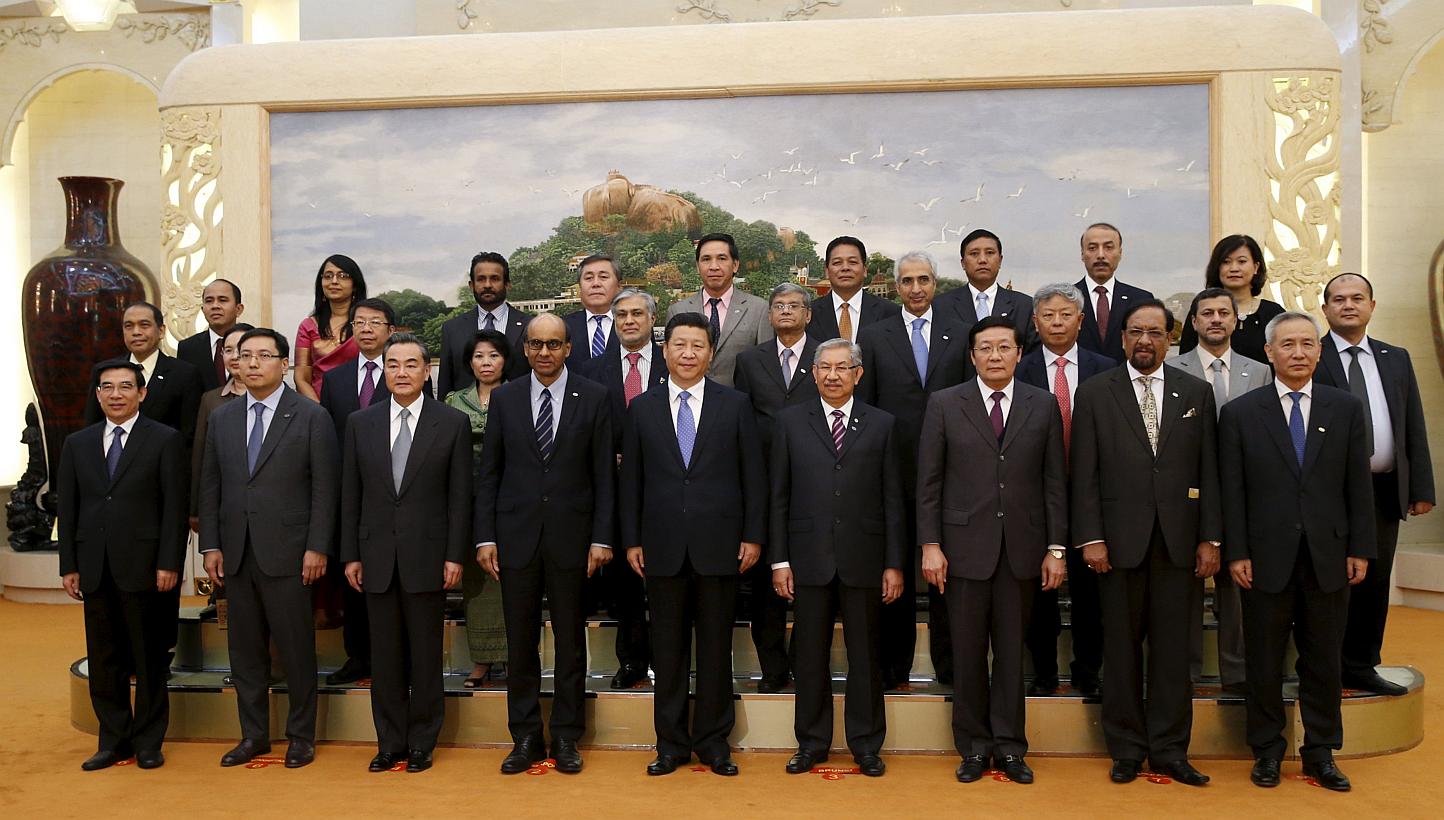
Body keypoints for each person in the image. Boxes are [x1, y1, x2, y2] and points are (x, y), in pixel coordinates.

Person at [1220, 310, 1375, 792]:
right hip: (1263, 557)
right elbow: (1233, 491)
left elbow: (1358, 487)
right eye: (1287, 345)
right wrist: (1237, 551)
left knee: (1323, 658)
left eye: (1308, 344)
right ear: (1269, 353)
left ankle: (1321, 752)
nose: (1299, 353)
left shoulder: (1345, 408)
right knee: (1264, 660)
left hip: (1329, 555)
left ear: (1319, 350)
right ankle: (1267, 751)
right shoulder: (1242, 414)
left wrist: (1360, 548)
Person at [1071, 299, 1221, 787]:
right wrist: (1090, 537)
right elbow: (1084, 474)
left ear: (1170, 338)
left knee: (1175, 654)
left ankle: (1171, 750)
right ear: (1122, 339)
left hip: (1179, 545)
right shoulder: (1095, 393)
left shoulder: (1196, 392)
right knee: (1120, 651)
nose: (1145, 341)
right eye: (1136, 332)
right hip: (1116, 546)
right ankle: (1127, 750)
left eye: (1155, 333)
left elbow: (1210, 473)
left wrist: (1210, 539)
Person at [918, 316, 1067, 785]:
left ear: (1020, 354)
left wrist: (1057, 548)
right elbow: (928, 483)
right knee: (966, 654)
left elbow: (1053, 482)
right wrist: (930, 545)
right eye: (986, 348)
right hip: (961, 551)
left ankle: (1010, 747)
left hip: (1022, 550)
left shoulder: (1042, 405)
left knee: (1009, 653)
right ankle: (973, 747)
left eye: (1004, 347)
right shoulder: (945, 403)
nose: (995, 356)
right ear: (972, 355)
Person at [621, 312, 767, 777]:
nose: (687, 354)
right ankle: (670, 744)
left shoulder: (735, 404)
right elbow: (632, 482)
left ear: (710, 353)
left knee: (715, 649)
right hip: (660, 547)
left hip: (721, 546)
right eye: (679, 345)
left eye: (697, 346)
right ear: (664, 352)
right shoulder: (641, 408)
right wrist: (631, 540)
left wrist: (753, 535)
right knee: (667, 651)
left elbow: (754, 478)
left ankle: (713, 741)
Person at [475, 314, 616, 776]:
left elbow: (603, 476)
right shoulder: (507, 398)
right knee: (520, 644)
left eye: (554, 344)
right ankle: (526, 736)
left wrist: (601, 537)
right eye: (536, 344)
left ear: (568, 348)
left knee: (572, 642)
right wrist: (486, 537)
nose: (544, 353)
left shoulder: (595, 398)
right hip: (515, 539)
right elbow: (490, 473)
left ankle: (567, 737)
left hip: (573, 540)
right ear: (526, 348)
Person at [199, 327, 339, 769]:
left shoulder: (311, 415)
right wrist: (211, 545)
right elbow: (211, 485)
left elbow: (325, 490)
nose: (254, 363)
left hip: (292, 551)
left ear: (284, 363)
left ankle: (300, 736)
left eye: (264, 355)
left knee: (296, 650)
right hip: (236, 552)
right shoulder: (222, 417)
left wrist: (318, 546)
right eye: (246, 355)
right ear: (234, 364)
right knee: (244, 653)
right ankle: (253, 736)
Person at [770, 338, 905, 778]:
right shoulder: (790, 422)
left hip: (865, 558)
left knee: (866, 655)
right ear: (812, 373)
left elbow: (893, 499)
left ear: (857, 374)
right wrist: (779, 561)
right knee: (808, 654)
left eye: (842, 368)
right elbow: (779, 498)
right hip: (806, 558)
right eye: (824, 367)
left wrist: (893, 562)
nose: (832, 375)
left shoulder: (883, 424)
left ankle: (866, 744)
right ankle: (811, 743)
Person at [340, 332, 471, 774]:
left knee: (425, 656)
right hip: (375, 558)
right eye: (393, 364)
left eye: (411, 364)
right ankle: (389, 741)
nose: (401, 372)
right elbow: (350, 495)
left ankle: (422, 742)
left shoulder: (450, 422)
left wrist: (455, 555)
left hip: (429, 558)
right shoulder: (361, 423)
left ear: (426, 370)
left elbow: (460, 498)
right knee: (386, 658)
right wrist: (351, 555)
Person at [58, 360, 187, 771]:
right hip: (94, 567)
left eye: (125, 387)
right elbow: (70, 508)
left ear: (141, 393)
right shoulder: (77, 444)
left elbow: (174, 509)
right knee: (104, 658)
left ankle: (149, 741)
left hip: (146, 566)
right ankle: (113, 740)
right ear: (97, 394)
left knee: (149, 659)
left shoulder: (165, 440)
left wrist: (170, 561)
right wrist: (69, 565)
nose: (116, 394)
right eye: (107, 387)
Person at [1315, 273, 1434, 696]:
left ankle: (1362, 665)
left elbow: (1411, 422)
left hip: (1382, 489)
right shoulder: (1312, 354)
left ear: (1371, 305)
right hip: (1326, 493)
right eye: (1339, 299)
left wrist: (1420, 486)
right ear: (1325, 308)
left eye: (1357, 298)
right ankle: (1324, 667)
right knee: (1329, 580)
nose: (1348, 305)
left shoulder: (1394, 357)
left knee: (1376, 580)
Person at [857, 250, 970, 690]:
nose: (916, 288)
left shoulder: (960, 335)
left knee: (948, 579)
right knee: (896, 575)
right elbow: (865, 407)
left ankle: (951, 668)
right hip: (895, 475)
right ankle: (894, 669)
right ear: (896, 286)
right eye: (907, 281)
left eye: (924, 279)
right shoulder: (875, 334)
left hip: (952, 476)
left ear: (935, 284)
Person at [1166, 288, 1270, 693]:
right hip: (1186, 499)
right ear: (1193, 323)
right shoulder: (1172, 369)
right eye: (1206, 313)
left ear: (1235, 321)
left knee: (1237, 595)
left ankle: (1238, 678)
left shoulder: (1259, 371)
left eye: (1223, 313)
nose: (1215, 319)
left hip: (1242, 499)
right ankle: (1186, 676)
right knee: (1185, 592)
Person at [1017, 283, 1115, 697]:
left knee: (1092, 592)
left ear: (1081, 320)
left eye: (1065, 314)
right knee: (1039, 590)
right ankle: (1041, 670)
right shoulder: (1017, 369)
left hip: (1094, 496)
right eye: (1048, 315)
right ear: (1035, 323)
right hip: (1035, 498)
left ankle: (1088, 670)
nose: (1057, 322)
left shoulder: (1107, 368)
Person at [576, 289, 669, 690]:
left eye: (636, 314)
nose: (629, 321)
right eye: (622, 316)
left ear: (652, 318)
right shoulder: (593, 370)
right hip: (614, 490)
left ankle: (670, 660)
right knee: (626, 584)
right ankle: (631, 661)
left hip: (667, 487)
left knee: (668, 579)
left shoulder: (675, 362)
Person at [732, 281, 820, 692]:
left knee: (811, 580)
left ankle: (806, 663)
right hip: (764, 481)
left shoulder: (826, 358)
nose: (786, 311)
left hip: (814, 482)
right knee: (767, 581)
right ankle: (772, 668)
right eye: (778, 305)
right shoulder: (750, 361)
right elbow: (742, 421)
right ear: (769, 315)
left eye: (794, 305)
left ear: (808, 314)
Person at [316, 297, 399, 687]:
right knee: (352, 576)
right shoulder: (335, 379)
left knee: (389, 580)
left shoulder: (405, 373)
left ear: (390, 330)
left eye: (375, 323)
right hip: (350, 493)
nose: (366, 329)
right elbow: (330, 439)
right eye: (359, 322)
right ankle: (357, 655)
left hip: (393, 492)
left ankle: (390, 658)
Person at [444, 328, 511, 689]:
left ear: (506, 360)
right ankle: (482, 661)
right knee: (477, 584)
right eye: (479, 356)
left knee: (510, 581)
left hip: (511, 501)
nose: (486, 363)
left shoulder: (519, 396)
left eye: (494, 356)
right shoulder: (454, 401)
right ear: (469, 362)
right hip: (467, 503)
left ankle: (514, 657)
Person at [83, 302, 203, 465]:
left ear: (161, 331)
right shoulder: (105, 371)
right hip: (113, 466)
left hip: (161, 468)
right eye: (129, 326)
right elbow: (92, 425)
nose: (136, 332)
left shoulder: (184, 374)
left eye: (144, 325)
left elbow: (188, 434)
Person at [666, 232, 774, 386]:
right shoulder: (677, 310)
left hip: (740, 404)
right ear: (698, 266)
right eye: (706, 259)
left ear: (735, 265)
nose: (714, 266)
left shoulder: (759, 309)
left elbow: (765, 367)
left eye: (722, 259)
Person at [1177, 235, 1284, 364]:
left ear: (1256, 267)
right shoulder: (1202, 309)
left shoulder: (1273, 313)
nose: (1234, 268)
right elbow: (1185, 362)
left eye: (1242, 261)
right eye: (1226, 262)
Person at [439, 251, 532, 394]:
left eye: (495, 279)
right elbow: (445, 387)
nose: (487, 285)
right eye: (481, 279)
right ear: (471, 285)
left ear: (507, 284)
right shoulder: (452, 329)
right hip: (465, 414)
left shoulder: (530, 326)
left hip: (518, 413)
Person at [934, 229, 1038, 356]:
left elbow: (1032, 357)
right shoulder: (940, 306)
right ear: (963, 263)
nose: (982, 260)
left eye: (989, 253)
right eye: (974, 254)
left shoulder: (1025, 306)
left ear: (1000, 260)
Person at [191, 323, 255, 527]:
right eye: (228, 350)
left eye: (241, 350)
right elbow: (200, 457)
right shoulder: (210, 400)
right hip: (224, 506)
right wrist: (195, 508)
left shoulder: (276, 399)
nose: (235, 356)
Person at [1074, 223, 1154, 363]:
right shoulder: (1067, 299)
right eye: (1092, 248)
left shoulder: (1141, 300)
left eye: (1108, 247)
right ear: (1082, 254)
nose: (1100, 255)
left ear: (1120, 253)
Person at [294, 253, 366, 401]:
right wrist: (320, 412)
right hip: (318, 404)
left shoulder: (366, 324)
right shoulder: (308, 326)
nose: (334, 281)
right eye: (328, 276)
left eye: (342, 276)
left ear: (355, 285)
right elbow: (301, 378)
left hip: (361, 403)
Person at [806, 236, 899, 345]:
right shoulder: (809, 314)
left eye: (853, 262)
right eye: (837, 263)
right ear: (827, 271)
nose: (845, 268)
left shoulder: (890, 313)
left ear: (865, 270)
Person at [176, 279, 246, 391]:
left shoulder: (254, 343)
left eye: (222, 300)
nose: (215, 306)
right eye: (209, 301)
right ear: (203, 309)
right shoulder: (187, 348)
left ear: (238, 309)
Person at [563, 254, 622, 370]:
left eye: (603, 277)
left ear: (619, 286)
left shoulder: (632, 325)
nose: (596, 284)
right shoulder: (563, 327)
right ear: (580, 287)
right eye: (589, 278)